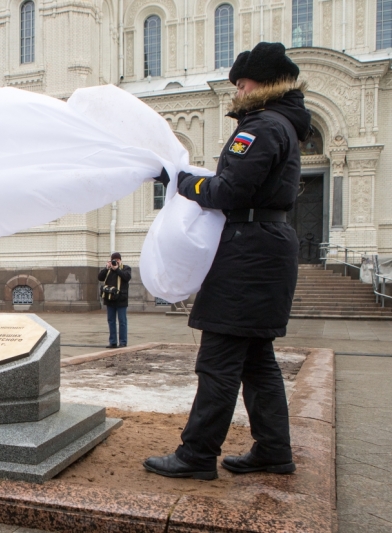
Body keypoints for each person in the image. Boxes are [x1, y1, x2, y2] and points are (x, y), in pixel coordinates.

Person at [143, 43, 312, 480]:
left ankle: (197, 455)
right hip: (266, 247)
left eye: (242, 83)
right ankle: (274, 451)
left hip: (248, 253)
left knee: (218, 360)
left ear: (264, 84)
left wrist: (183, 186)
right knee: (257, 360)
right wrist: (186, 178)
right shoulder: (284, 126)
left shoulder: (258, 128)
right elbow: (242, 186)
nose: (237, 91)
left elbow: (228, 191)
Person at [98, 252, 131, 348]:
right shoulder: (109, 270)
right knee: (111, 321)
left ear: (120, 260)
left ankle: (123, 342)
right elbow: (100, 277)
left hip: (121, 300)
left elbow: (126, 277)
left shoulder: (126, 268)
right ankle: (112, 342)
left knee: (122, 321)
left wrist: (117, 269)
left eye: (117, 260)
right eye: (113, 260)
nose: (115, 262)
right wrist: (106, 268)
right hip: (110, 299)